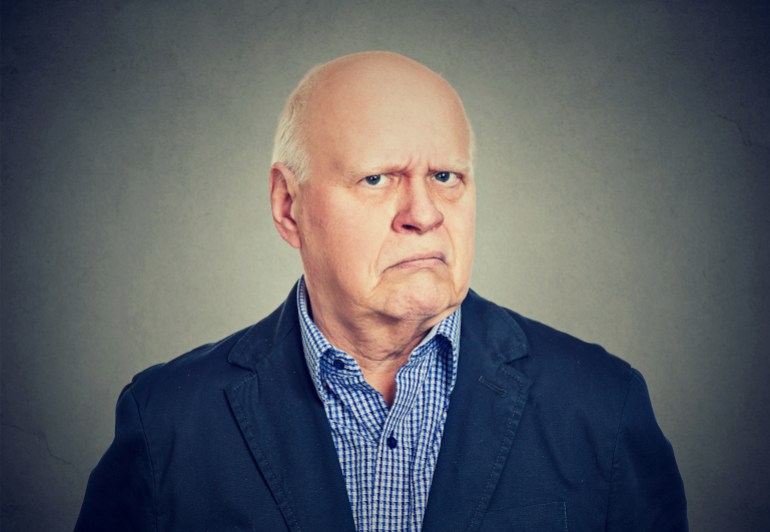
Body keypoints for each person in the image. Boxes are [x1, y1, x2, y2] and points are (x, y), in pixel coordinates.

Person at [75, 51, 687, 531]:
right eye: (377, 179)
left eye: (446, 177)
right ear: (288, 207)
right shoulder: (166, 422)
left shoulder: (605, 407)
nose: (424, 213)